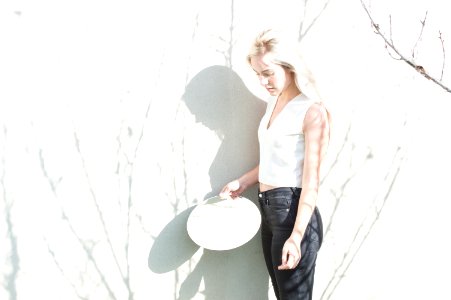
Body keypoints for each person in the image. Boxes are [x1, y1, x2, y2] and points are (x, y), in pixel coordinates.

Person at [220, 29, 331, 300]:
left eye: (268, 72)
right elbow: (276, 160)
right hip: (269, 212)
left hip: (293, 214)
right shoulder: (274, 103)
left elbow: (311, 182)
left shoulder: (312, 111)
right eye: (258, 74)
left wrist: (297, 236)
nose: (262, 81)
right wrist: (243, 182)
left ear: (288, 66)